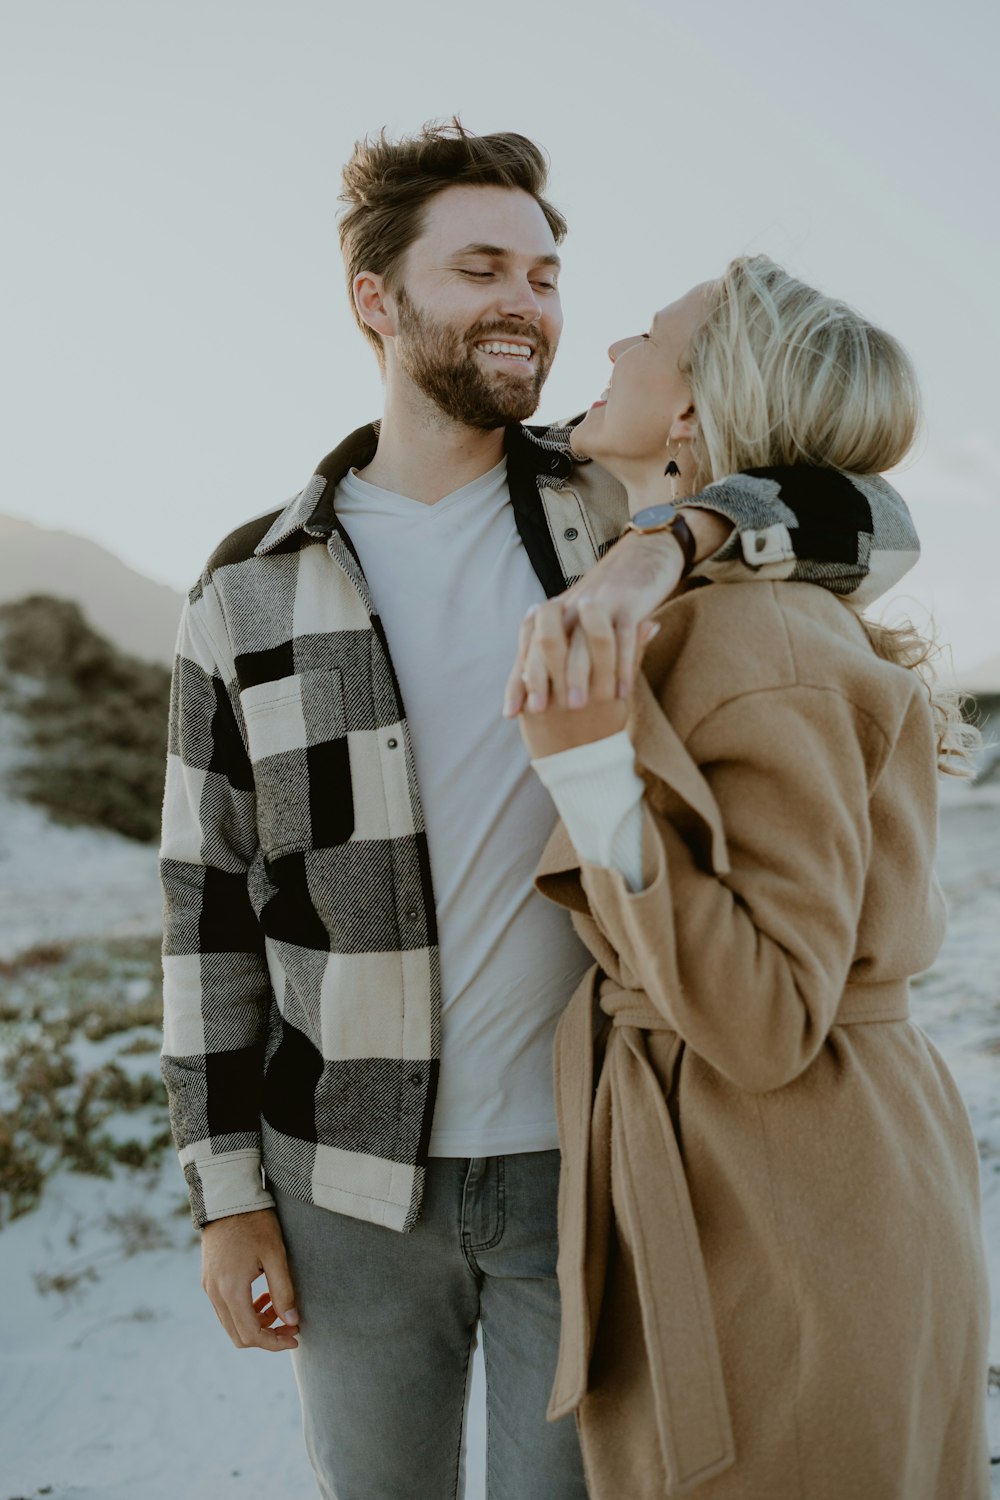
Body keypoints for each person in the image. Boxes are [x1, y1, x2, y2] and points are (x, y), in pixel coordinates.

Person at [159, 122, 924, 1500]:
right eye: (483, 267)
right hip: (344, 1183)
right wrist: (226, 1200)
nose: (529, 298)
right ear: (376, 302)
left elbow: (873, 510)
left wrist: (671, 545)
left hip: (593, 1169)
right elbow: (206, 918)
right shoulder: (245, 590)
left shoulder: (614, 506)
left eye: (547, 271)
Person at [516, 256, 990, 1499]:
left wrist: (588, 776)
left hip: (784, 1201)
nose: (609, 345)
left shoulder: (751, 633)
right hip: (799, 1171)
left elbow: (768, 1011)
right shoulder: (750, 594)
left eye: (646, 334)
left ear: (688, 413)